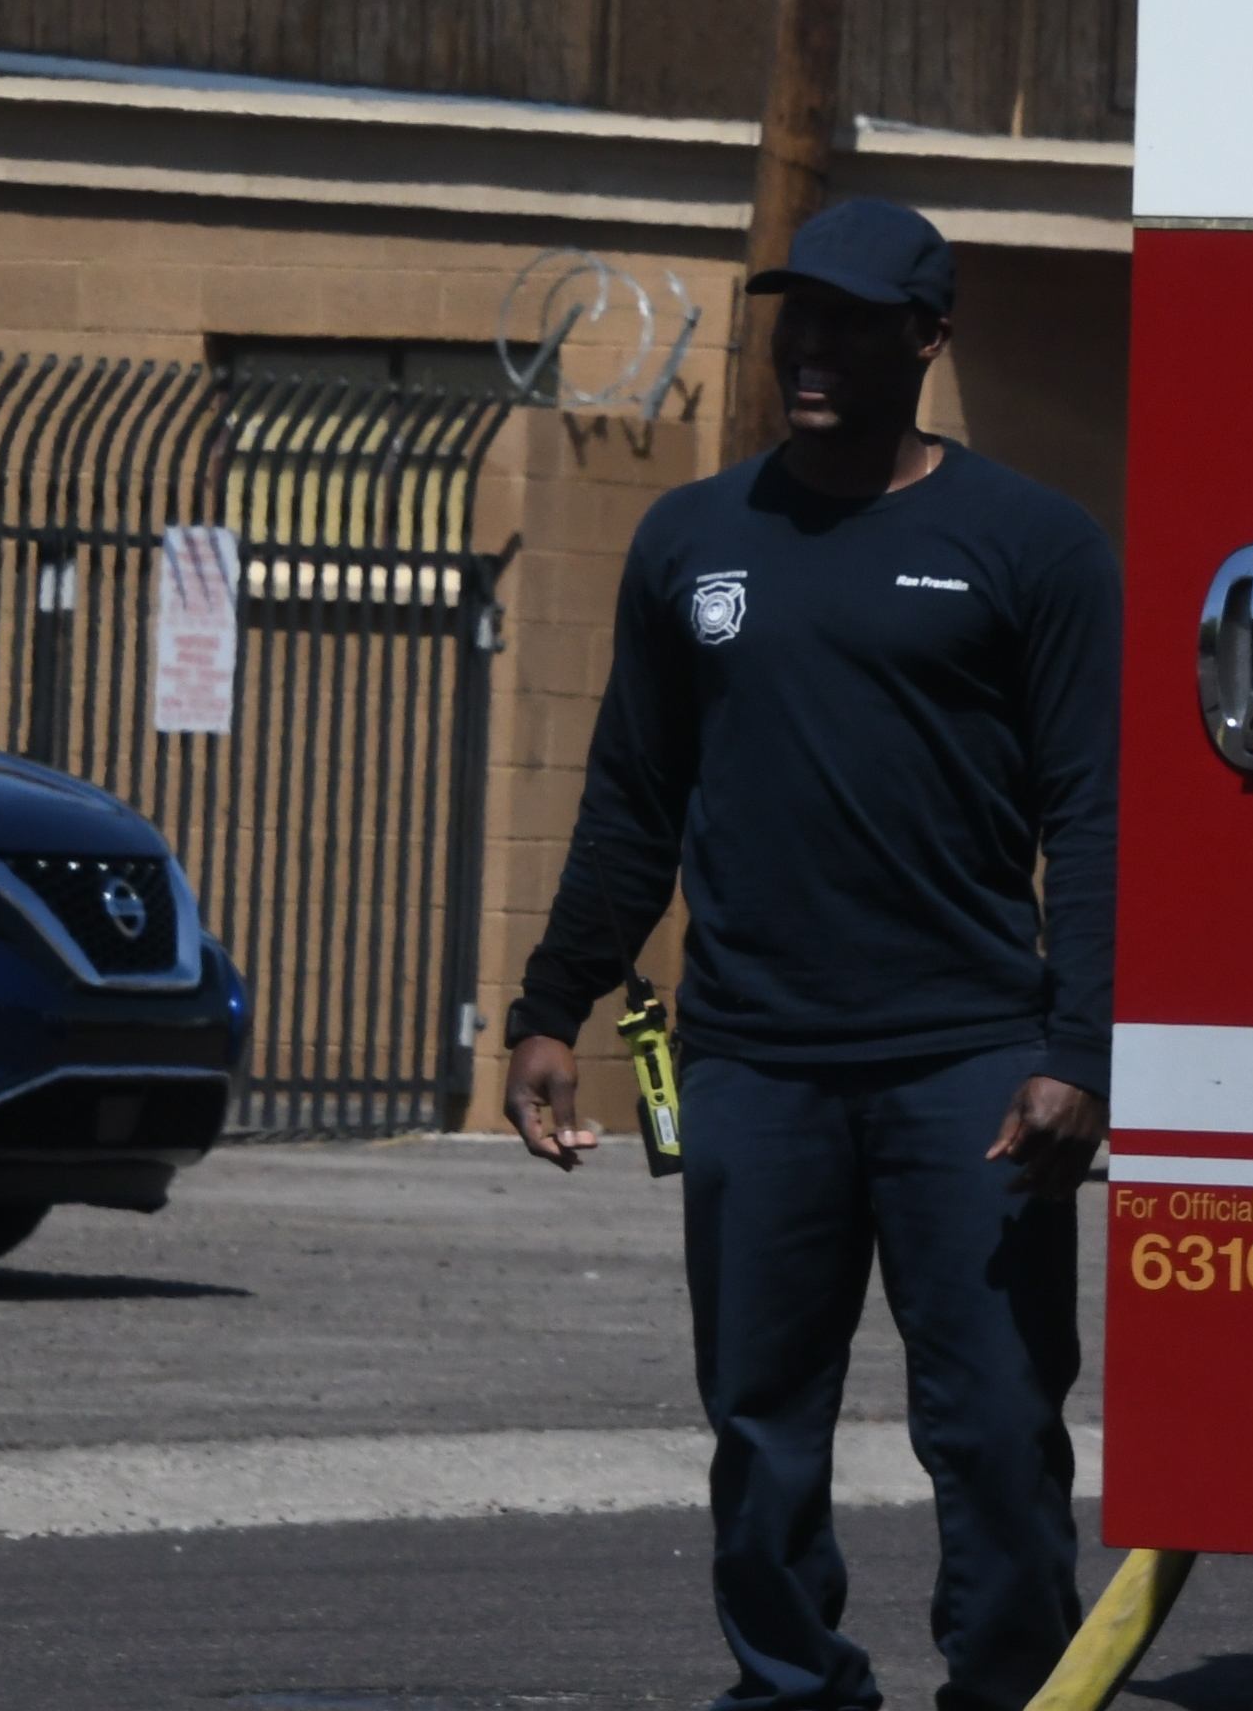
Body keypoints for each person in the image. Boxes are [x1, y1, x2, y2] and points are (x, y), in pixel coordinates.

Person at [502, 197, 1120, 1711]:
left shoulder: (1034, 545)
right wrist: (549, 1007)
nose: (815, 348)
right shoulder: (693, 540)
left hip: (969, 1064)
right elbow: (632, 800)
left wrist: (1078, 1052)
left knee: (996, 1425)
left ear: (930, 338)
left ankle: (1012, 1690)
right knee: (761, 1424)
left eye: (853, 321)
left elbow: (1098, 816)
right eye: (800, 318)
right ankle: (794, 1686)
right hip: (754, 1064)